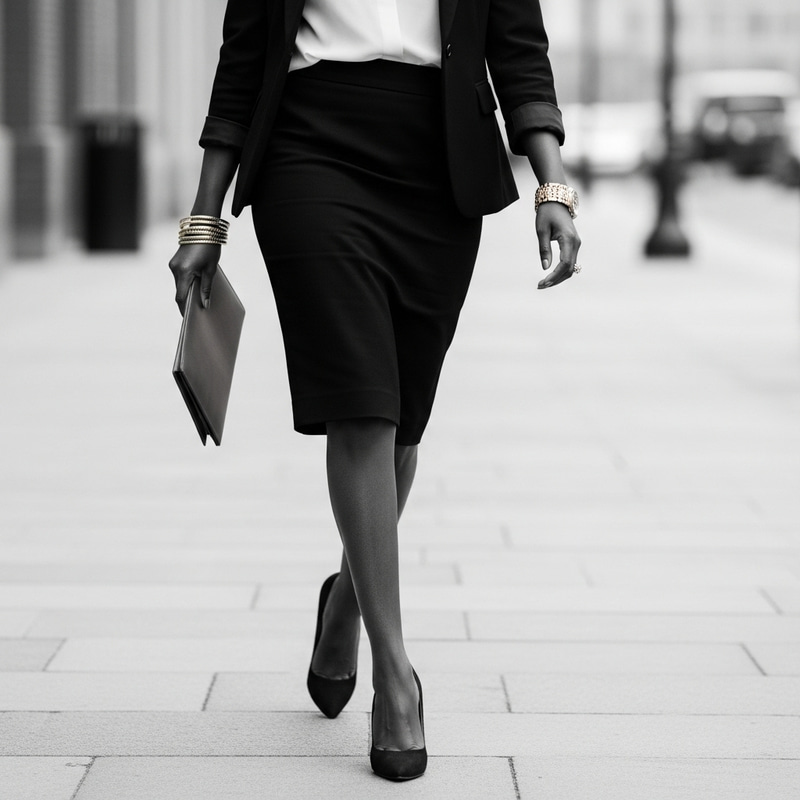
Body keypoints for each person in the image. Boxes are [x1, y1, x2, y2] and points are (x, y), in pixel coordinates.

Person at [169, 0, 581, 782]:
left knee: (402, 431)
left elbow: (519, 53)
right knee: (361, 404)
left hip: (439, 163)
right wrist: (204, 221)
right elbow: (242, 63)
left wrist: (551, 188)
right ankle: (396, 678)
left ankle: (348, 607)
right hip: (308, 151)